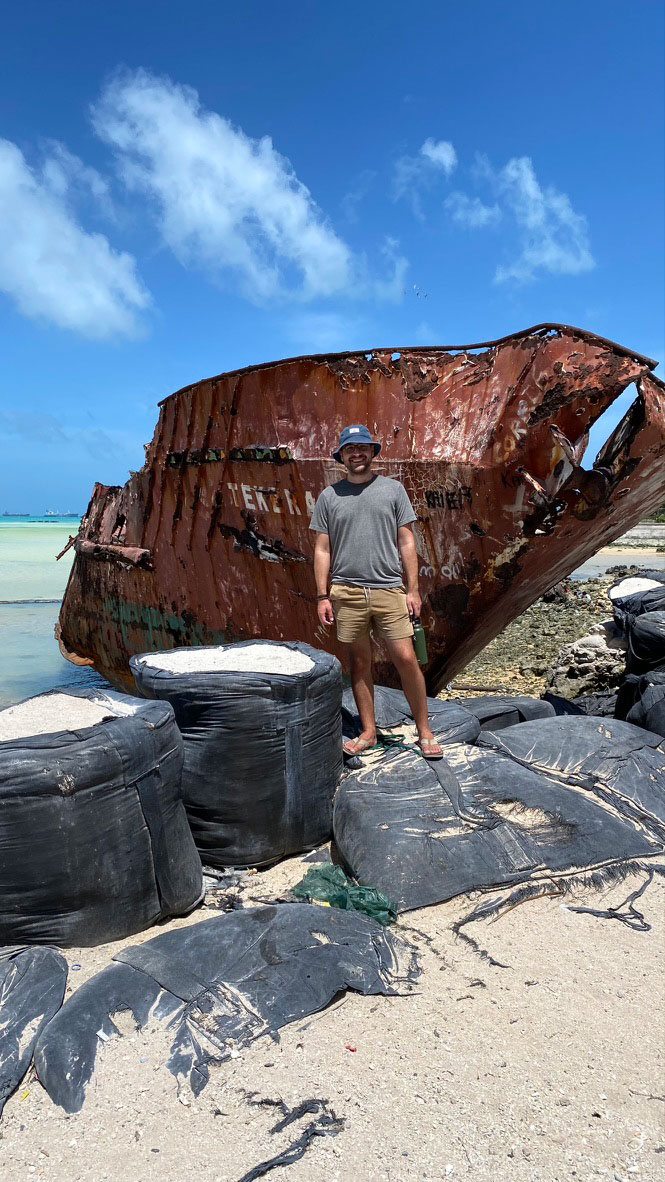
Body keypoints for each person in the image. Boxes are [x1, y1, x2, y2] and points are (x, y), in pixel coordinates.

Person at [310, 424, 443, 760]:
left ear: (372, 452)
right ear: (342, 456)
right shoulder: (329, 497)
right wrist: (322, 595)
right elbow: (322, 549)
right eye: (350, 449)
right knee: (359, 662)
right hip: (347, 592)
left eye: (363, 448)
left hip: (389, 591)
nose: (357, 453)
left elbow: (407, 540)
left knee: (406, 658)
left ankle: (425, 732)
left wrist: (413, 590)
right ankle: (368, 732)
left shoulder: (393, 491)